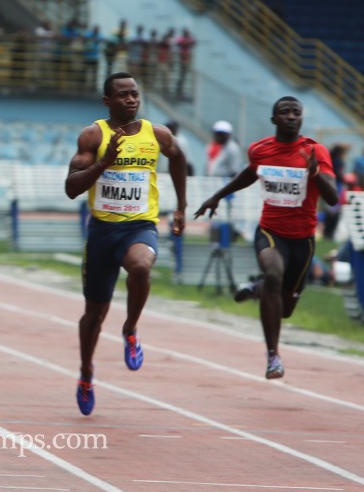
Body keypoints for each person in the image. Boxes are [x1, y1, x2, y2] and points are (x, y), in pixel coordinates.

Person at [64, 73, 187, 416]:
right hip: (103, 232)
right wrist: (105, 162)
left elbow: (178, 158)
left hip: (140, 226)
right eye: (123, 95)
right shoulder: (93, 136)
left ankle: (131, 327)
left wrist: (180, 206)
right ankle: (86, 372)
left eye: (135, 94)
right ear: (108, 101)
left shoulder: (156, 134)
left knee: (141, 266)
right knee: (93, 315)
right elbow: (71, 187)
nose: (131, 100)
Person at [194, 96, 338, 380]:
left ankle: (260, 289)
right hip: (270, 232)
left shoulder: (315, 151)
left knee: (285, 310)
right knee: (274, 273)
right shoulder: (260, 150)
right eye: (284, 112)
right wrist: (217, 197)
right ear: (274, 119)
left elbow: (332, 198)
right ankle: (273, 356)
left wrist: (315, 173)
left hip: (303, 241)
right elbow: (249, 174)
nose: (291, 117)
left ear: (302, 118)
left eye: (296, 112)